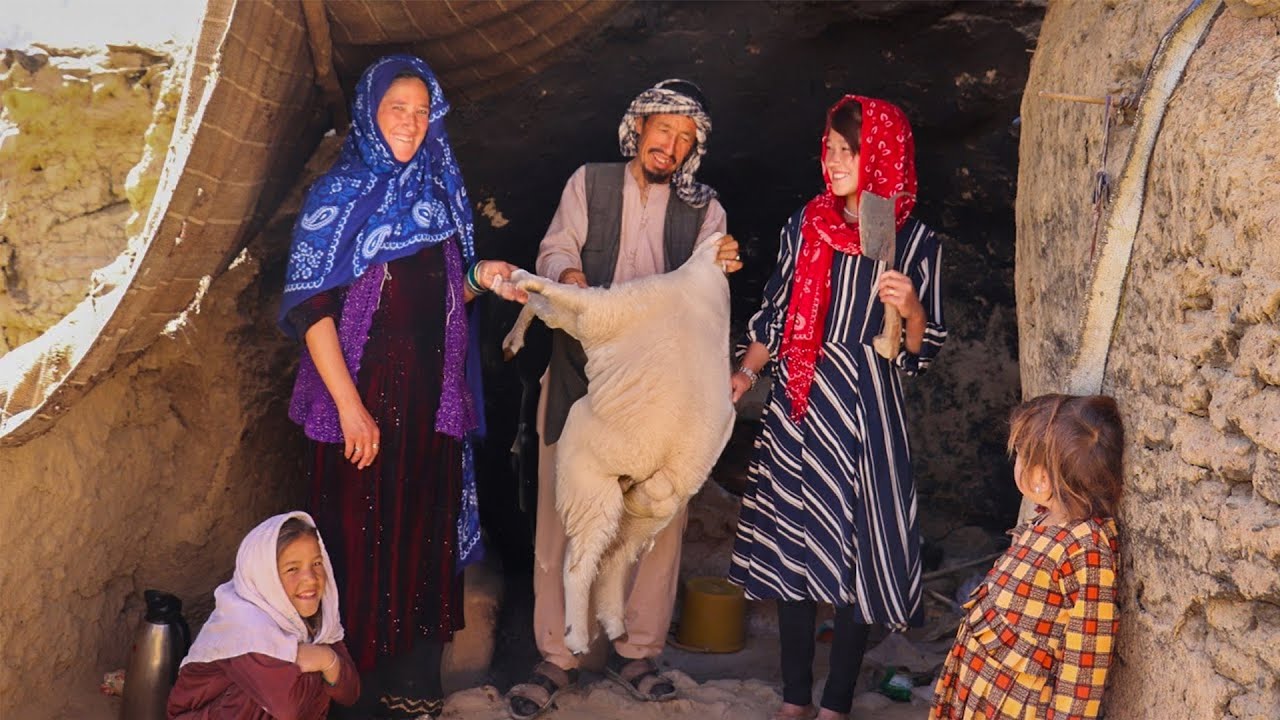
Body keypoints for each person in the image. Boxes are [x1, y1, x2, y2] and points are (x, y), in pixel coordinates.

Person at [278, 54, 525, 720]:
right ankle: (346, 696)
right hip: (360, 402)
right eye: (398, 110)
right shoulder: (338, 196)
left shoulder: (437, 191)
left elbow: (446, 293)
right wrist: (351, 409)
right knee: (353, 544)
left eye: (423, 113)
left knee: (418, 543)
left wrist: (483, 276)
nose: (412, 125)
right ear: (369, 112)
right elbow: (311, 308)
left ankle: (402, 687)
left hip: (427, 405)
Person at [506, 78, 742, 720]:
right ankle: (557, 657)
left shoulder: (707, 211)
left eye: (684, 137)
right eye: (662, 129)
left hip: (662, 391)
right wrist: (574, 282)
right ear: (638, 127)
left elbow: (706, 290)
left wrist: (725, 261)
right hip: (583, 374)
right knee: (565, 516)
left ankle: (639, 651)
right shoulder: (590, 183)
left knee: (657, 522)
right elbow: (555, 249)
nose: (670, 144)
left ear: (694, 148)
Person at [727, 95, 947, 720]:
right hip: (801, 398)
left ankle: (836, 703)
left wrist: (910, 307)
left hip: (868, 406)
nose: (835, 160)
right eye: (830, 148)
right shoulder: (807, 224)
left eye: (849, 150)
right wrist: (745, 374)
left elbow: (921, 352)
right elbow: (775, 313)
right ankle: (795, 699)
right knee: (794, 546)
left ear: (881, 153)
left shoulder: (916, 242)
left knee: (856, 553)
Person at [931, 394, 1123, 719]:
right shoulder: (1046, 519)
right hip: (986, 689)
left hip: (1013, 704)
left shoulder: (1087, 550)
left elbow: (1085, 663)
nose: (1015, 460)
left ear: (1041, 479)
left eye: (1020, 454)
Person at [168, 512, 358, 719]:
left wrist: (326, 658)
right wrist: (318, 666)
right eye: (292, 568)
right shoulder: (245, 627)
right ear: (266, 577)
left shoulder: (319, 617)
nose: (310, 579)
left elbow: (350, 694)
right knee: (256, 697)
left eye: (317, 563)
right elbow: (288, 708)